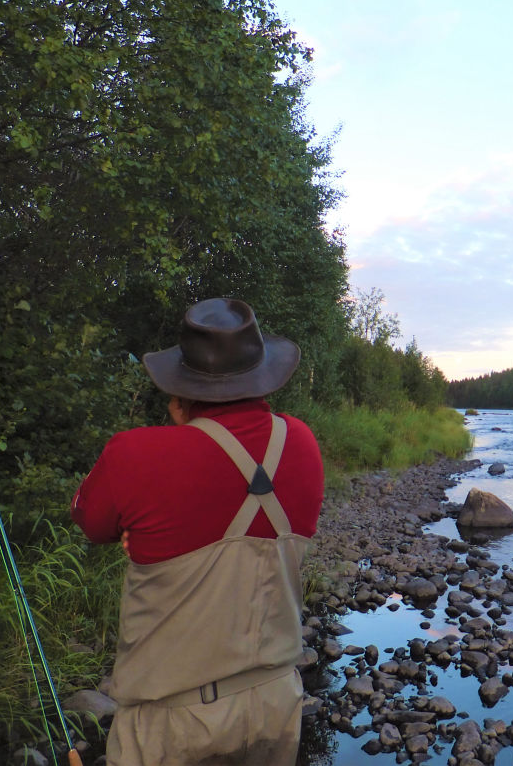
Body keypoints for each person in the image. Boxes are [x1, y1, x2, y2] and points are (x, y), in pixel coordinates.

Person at [71, 298, 324, 765]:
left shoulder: (134, 453)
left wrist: (143, 529)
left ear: (181, 390)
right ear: (261, 375)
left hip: (171, 724)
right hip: (275, 703)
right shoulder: (302, 442)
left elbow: (92, 522)